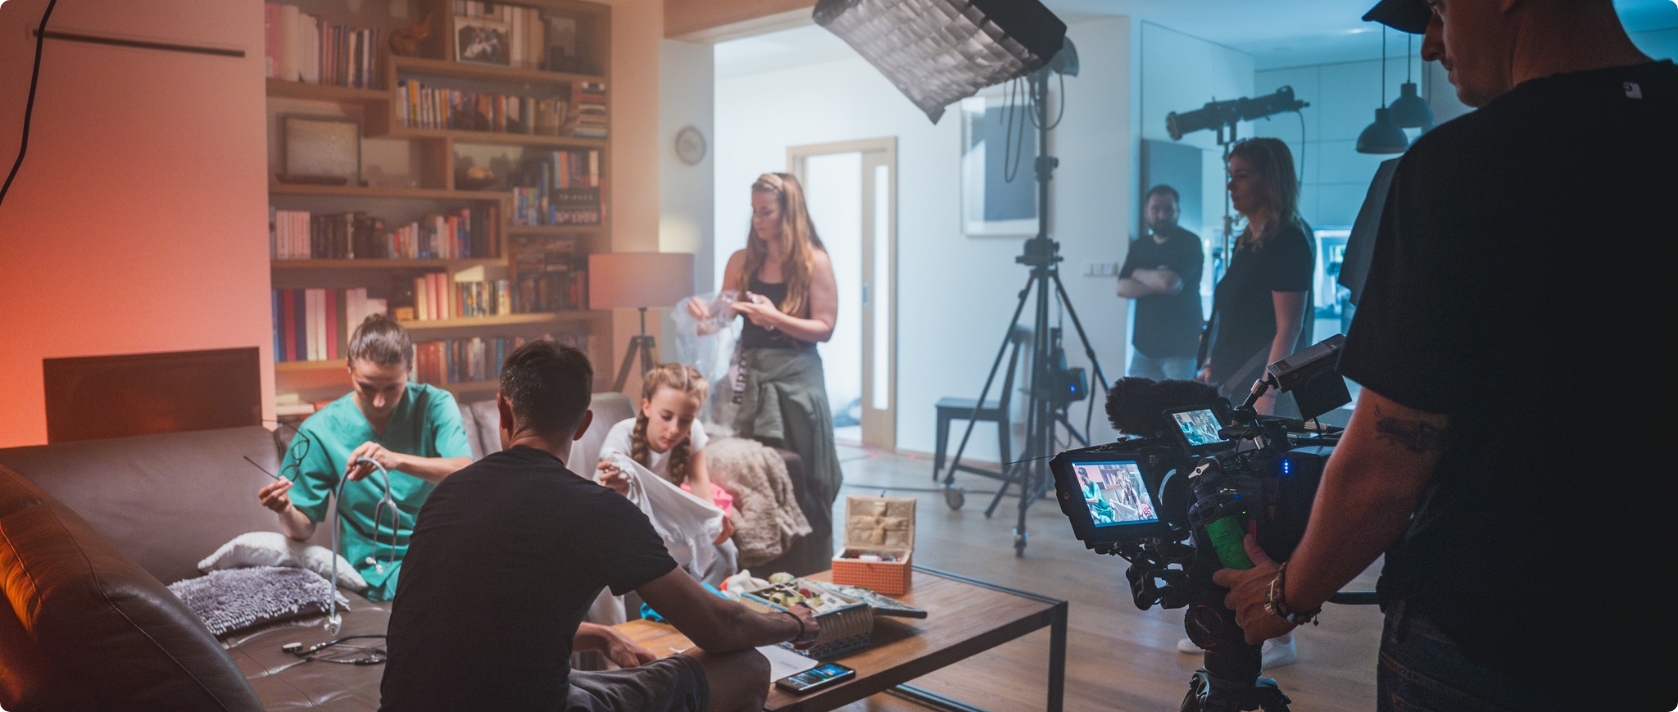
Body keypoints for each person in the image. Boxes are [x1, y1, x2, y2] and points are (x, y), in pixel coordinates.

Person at [1211, 1, 1675, 710]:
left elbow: (1388, 461)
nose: (1431, 45)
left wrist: (1283, 594)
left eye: (1436, 10)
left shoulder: (1460, 166)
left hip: (1484, 633)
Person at [380, 341, 819, 712]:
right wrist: (793, 623)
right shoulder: (598, 510)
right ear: (583, 423)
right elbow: (719, 628)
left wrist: (603, 635)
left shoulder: (446, 496)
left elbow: (479, 624)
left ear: (503, 410)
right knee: (747, 669)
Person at [687, 171, 844, 575]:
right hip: (747, 380)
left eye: (767, 211)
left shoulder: (814, 262)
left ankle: (811, 573)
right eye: (754, 211)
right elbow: (720, 319)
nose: (758, 220)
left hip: (797, 381)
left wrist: (776, 318)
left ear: (789, 212)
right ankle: (756, 573)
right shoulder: (742, 261)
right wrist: (705, 317)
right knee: (751, 477)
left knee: (805, 479)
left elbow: (825, 328)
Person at [256, 314, 472, 601]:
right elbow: (302, 529)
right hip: (376, 568)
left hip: (444, 548)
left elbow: (464, 471)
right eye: (367, 387)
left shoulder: (435, 404)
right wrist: (284, 509)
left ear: (410, 368)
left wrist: (396, 460)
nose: (379, 401)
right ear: (349, 367)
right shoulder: (318, 431)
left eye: (392, 388)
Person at [1196, 138, 1316, 418]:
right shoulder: (1247, 241)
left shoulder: (1288, 240)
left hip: (1256, 391)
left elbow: (1289, 328)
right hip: (1233, 383)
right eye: (1230, 176)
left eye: (1243, 176)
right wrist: (1213, 363)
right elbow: (1237, 317)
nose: (1230, 186)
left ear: (1270, 181)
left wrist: (1267, 395)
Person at [597, 362, 739, 586]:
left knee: (726, 550)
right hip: (626, 520)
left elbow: (700, 485)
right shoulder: (622, 435)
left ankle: (707, 605)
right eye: (666, 416)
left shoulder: (694, 434)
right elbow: (603, 500)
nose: (674, 429)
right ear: (646, 406)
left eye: (685, 421)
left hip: (668, 519)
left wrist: (715, 520)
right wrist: (618, 487)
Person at [1118, 184, 1205, 381]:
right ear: (1146, 212)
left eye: (1168, 209)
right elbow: (1122, 287)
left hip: (1180, 349)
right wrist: (1157, 280)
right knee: (1139, 409)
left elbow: (1170, 284)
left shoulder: (1190, 243)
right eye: (1155, 209)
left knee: (1177, 408)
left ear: (1177, 211)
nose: (1162, 215)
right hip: (1143, 348)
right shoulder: (1140, 246)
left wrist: (1138, 272)